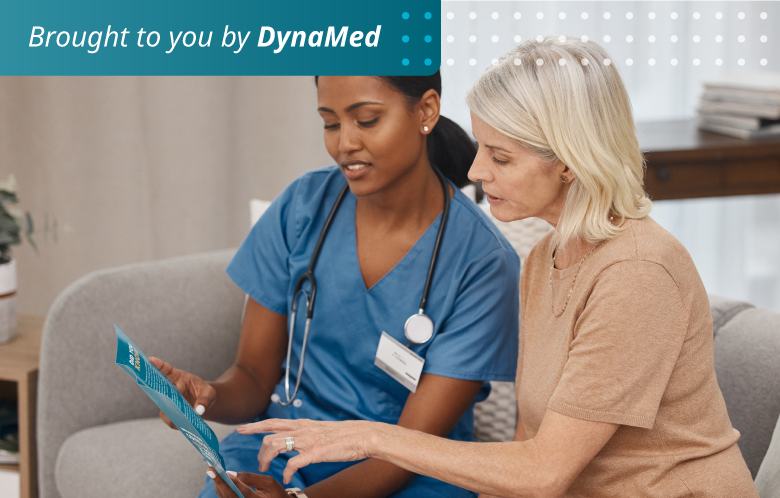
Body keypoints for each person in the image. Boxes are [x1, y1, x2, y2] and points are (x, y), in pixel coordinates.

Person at [234, 37, 760, 497]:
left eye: (500, 157)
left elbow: (543, 472)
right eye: (483, 148)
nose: (474, 169)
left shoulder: (638, 273)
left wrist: (370, 436)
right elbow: (525, 445)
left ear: (570, 161)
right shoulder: (543, 260)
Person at [150, 71, 522, 498]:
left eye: (365, 120)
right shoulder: (301, 208)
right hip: (285, 451)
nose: (344, 143)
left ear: (426, 110)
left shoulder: (483, 261)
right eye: (330, 122)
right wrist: (205, 396)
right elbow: (253, 377)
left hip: (411, 471)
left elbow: (411, 447)